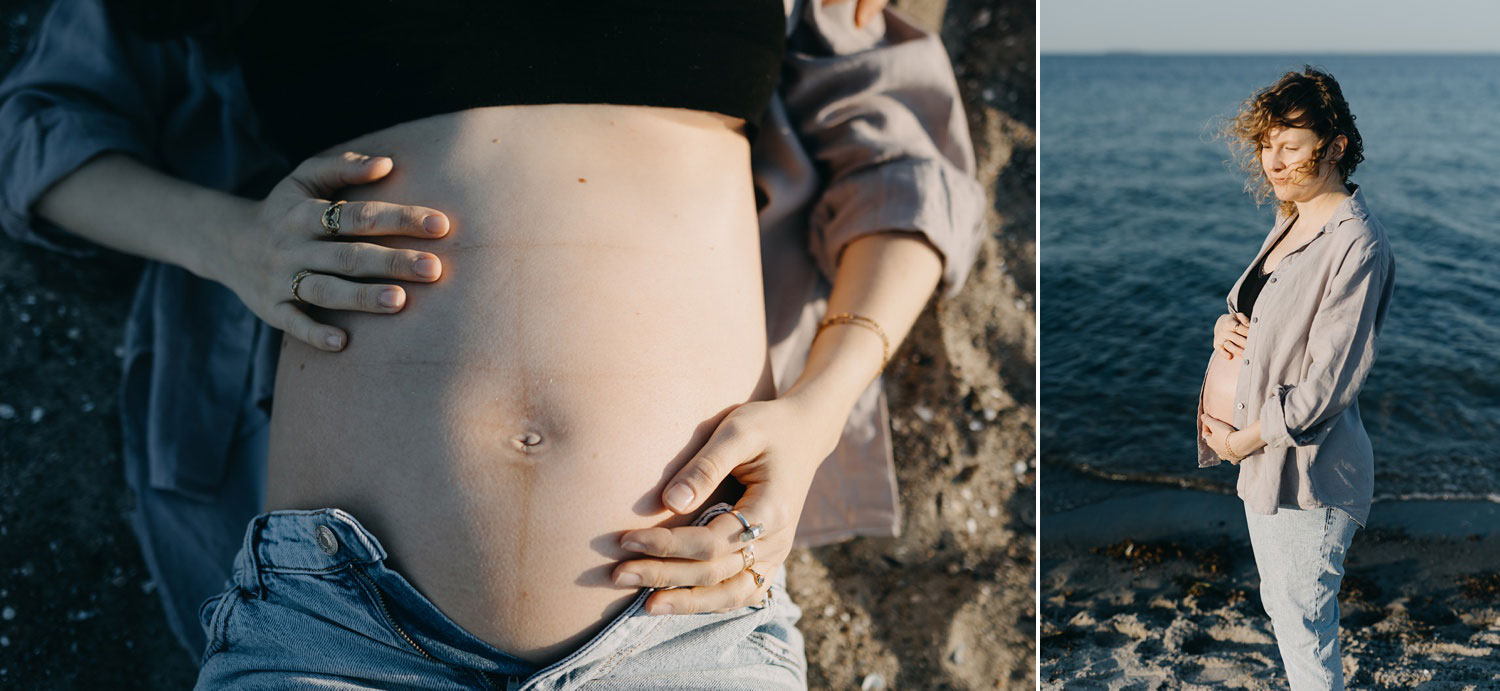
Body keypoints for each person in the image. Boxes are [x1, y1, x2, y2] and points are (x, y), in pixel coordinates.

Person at [0, 0, 986, 687]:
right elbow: (38, 127)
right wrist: (234, 242)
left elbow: (901, 155)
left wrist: (819, 410)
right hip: (337, 620)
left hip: (679, 620)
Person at [1197, 66, 1395, 691]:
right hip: (1265, 464)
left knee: (1304, 628)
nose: (1273, 161)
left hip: (1309, 473)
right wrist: (1226, 329)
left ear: (1334, 146)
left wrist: (1243, 440)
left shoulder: (1355, 242)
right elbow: (1264, 317)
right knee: (1287, 614)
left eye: (1290, 146)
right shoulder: (1293, 218)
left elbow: (1329, 387)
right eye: (1266, 145)